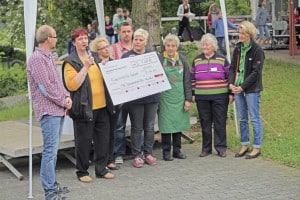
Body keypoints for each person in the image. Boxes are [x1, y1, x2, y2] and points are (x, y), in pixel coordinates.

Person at [62, 28, 115, 183]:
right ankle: (82, 171)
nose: (84, 41)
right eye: (80, 39)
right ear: (74, 43)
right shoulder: (70, 62)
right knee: (83, 142)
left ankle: (101, 169)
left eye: (85, 38)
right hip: (84, 108)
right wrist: (85, 67)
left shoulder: (94, 58)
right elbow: (72, 85)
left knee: (102, 140)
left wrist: (106, 67)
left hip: (102, 107)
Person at [27, 25, 72, 200]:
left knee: (53, 151)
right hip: (48, 110)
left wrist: (67, 96)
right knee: (49, 151)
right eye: (55, 36)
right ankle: (50, 191)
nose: (56, 39)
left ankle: (52, 185)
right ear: (48, 39)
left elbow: (57, 82)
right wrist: (63, 100)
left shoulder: (48, 57)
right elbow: (45, 87)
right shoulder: (37, 59)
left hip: (57, 108)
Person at [122, 28, 160, 168]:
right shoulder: (126, 57)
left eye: (140, 40)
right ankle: (137, 155)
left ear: (146, 42)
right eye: (135, 39)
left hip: (152, 96)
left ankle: (148, 153)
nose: (137, 42)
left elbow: (158, 73)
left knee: (149, 127)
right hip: (135, 99)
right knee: (137, 127)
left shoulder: (152, 55)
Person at [191, 33, 233, 158]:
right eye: (203, 44)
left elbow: (229, 76)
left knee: (219, 122)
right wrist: (193, 93)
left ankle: (221, 148)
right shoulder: (197, 60)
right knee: (205, 122)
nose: (204, 46)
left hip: (220, 96)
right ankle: (206, 148)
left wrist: (231, 93)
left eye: (207, 44)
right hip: (202, 96)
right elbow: (192, 78)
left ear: (213, 46)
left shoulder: (222, 58)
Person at [228, 21, 264, 159]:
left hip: (251, 89)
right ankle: (244, 144)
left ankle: (256, 147)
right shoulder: (238, 48)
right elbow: (232, 68)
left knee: (254, 118)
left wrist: (243, 86)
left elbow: (256, 73)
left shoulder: (257, 50)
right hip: (237, 88)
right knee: (242, 118)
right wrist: (231, 84)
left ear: (250, 34)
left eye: (243, 33)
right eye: (240, 32)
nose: (240, 35)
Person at [158, 34, 192, 161]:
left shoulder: (182, 60)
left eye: (173, 46)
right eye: (168, 45)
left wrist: (188, 99)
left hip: (179, 97)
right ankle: (166, 152)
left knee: (178, 124)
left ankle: (177, 150)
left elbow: (187, 80)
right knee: (166, 126)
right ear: (164, 46)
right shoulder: (160, 59)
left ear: (177, 46)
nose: (170, 48)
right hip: (165, 98)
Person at [90, 37, 120, 171]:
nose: (106, 49)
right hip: (100, 103)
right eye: (102, 48)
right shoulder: (94, 65)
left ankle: (110, 159)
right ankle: (100, 160)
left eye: (107, 46)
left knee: (112, 131)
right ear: (97, 51)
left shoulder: (115, 64)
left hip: (114, 103)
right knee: (101, 134)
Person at [109, 21, 134, 165]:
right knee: (119, 126)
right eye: (123, 31)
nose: (126, 34)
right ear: (119, 33)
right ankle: (119, 153)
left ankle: (140, 151)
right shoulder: (113, 49)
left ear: (132, 32)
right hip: (119, 94)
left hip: (136, 93)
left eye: (128, 31)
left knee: (138, 125)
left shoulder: (137, 47)